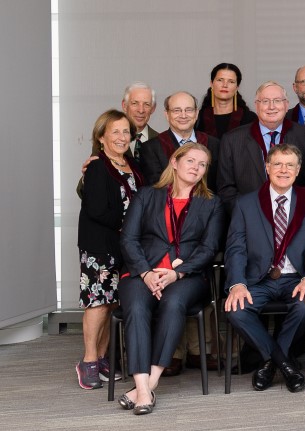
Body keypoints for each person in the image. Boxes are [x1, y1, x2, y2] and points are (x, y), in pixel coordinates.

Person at [116, 143, 223, 414]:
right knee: (137, 307)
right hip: (141, 272)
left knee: (173, 303)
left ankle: (146, 387)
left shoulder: (212, 203)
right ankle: (143, 388)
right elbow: (128, 239)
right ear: (175, 162)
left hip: (187, 276)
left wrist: (178, 272)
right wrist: (146, 273)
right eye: (191, 161)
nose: (196, 168)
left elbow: (209, 248)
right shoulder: (146, 195)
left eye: (202, 164)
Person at [222, 144, 305, 393]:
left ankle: (269, 365)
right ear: (267, 167)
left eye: (290, 165)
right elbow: (235, 248)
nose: (284, 170)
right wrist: (237, 284)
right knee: (236, 310)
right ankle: (284, 363)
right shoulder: (246, 204)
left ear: (298, 170)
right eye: (278, 164)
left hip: (297, 278)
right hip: (258, 280)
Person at [76, 109, 144, 390]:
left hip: (124, 247)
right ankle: (89, 361)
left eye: (126, 131)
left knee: (113, 302)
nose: (121, 137)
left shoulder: (132, 164)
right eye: (115, 131)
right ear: (101, 137)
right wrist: (131, 224)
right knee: (98, 303)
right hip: (100, 247)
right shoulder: (96, 166)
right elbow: (96, 209)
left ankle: (103, 357)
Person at [217, 81, 305, 199]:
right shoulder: (232, 140)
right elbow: (226, 189)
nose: (271, 107)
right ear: (256, 106)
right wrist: (247, 209)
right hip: (248, 209)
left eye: (277, 101)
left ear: (286, 105)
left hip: (296, 209)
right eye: (265, 101)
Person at [141, 91, 221, 204]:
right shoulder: (151, 148)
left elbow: (218, 185)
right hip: (167, 209)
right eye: (177, 110)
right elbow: (156, 188)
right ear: (167, 114)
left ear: (196, 113)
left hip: (208, 208)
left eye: (189, 110)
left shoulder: (214, 144)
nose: (183, 115)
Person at [195, 63, 257, 139]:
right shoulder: (198, 118)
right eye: (220, 80)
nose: (225, 85)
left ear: (237, 87)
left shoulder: (249, 119)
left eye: (231, 81)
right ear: (211, 84)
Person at [121, 82, 158, 158]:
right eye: (135, 103)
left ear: (153, 108)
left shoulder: (162, 141)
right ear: (124, 106)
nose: (141, 110)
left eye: (146, 104)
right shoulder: (108, 140)